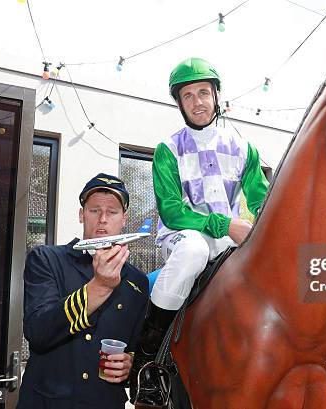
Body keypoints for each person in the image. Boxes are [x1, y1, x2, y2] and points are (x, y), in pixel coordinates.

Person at [130, 57, 269, 406]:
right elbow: (172, 211)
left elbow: (260, 200)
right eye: (188, 96)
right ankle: (148, 358)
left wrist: (253, 224)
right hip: (181, 237)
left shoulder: (244, 147)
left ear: (217, 96)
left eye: (203, 93)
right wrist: (226, 225)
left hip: (228, 238)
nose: (197, 102)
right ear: (180, 104)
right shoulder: (167, 149)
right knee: (194, 250)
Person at [18, 173, 149, 409]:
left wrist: (129, 364)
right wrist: (100, 286)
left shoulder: (138, 282)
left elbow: (138, 348)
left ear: (124, 219)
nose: (102, 219)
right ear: (81, 215)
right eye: (94, 210)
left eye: (112, 212)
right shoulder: (47, 259)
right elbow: (38, 333)